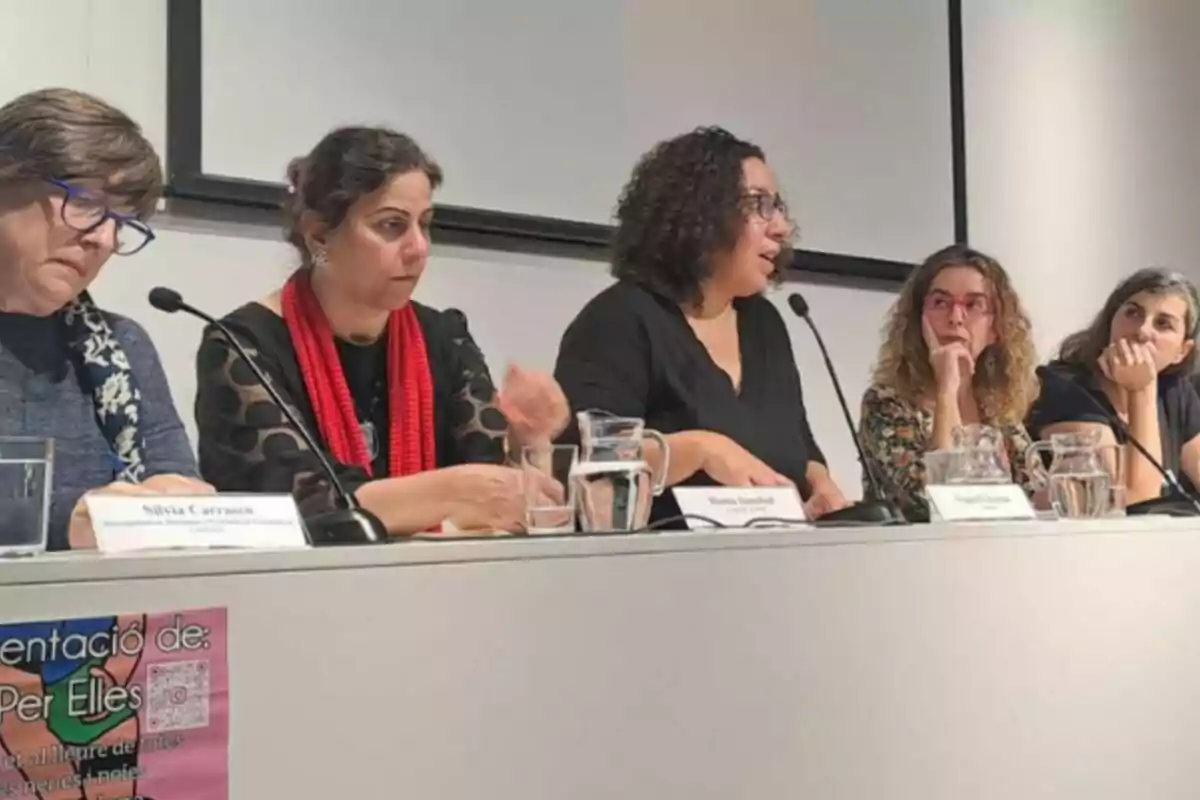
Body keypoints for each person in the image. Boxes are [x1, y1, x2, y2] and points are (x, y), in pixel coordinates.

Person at [194, 126, 568, 535]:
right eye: (391, 225)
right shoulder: (242, 345)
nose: (419, 247)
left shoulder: (444, 336)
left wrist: (530, 443)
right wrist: (450, 493)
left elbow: (496, 498)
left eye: (424, 224)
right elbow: (300, 506)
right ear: (318, 234)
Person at [552, 126, 850, 525]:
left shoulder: (765, 324)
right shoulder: (619, 321)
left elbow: (798, 447)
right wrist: (697, 449)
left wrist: (820, 483)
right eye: (758, 205)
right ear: (702, 213)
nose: (780, 227)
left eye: (778, 206)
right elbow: (589, 465)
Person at [0, 87, 210, 553]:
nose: (105, 239)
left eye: (122, 221)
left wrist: (186, 512)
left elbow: (175, 487)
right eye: (88, 204)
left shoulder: (122, 345)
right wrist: (70, 522)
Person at [858, 245, 1039, 521]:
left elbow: (1038, 498)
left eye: (973, 305)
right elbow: (929, 503)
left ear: (995, 329)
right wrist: (946, 389)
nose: (955, 317)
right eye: (940, 303)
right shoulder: (887, 402)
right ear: (918, 321)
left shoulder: (997, 405)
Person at [1028, 268, 1200, 504]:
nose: (1142, 331)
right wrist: (1142, 390)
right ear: (1111, 321)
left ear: (1182, 351)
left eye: (1163, 324)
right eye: (1133, 313)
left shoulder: (1175, 391)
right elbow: (1133, 495)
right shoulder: (1062, 386)